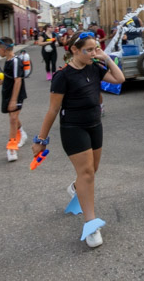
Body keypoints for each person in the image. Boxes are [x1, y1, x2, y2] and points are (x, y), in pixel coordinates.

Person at [31, 31, 125, 248]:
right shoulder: (63, 76)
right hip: (73, 128)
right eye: (88, 50)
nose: (93, 53)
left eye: (95, 49)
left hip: (95, 126)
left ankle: (76, 187)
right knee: (87, 173)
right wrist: (41, 139)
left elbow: (119, 79)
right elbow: (53, 110)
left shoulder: (95, 67)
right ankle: (91, 224)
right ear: (74, 50)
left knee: (92, 170)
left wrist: (106, 58)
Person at [0, 37, 28, 162]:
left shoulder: (15, 61)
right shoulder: (8, 61)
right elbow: (10, 77)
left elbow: (18, 80)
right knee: (13, 117)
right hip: (8, 93)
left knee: (13, 118)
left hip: (16, 95)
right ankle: (22, 133)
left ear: (4, 49)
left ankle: (11, 148)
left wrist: (13, 100)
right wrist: (1, 82)